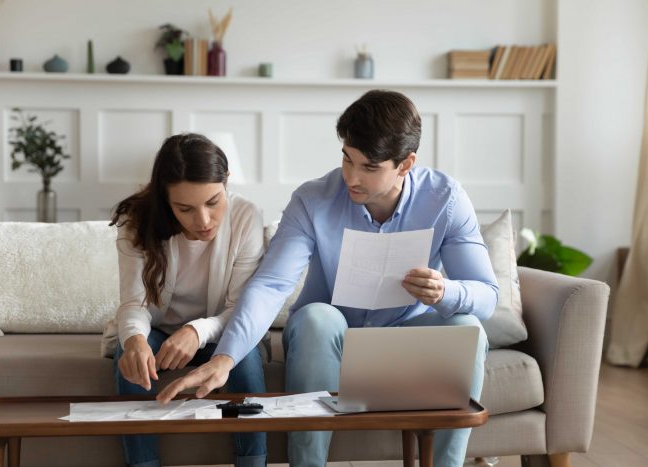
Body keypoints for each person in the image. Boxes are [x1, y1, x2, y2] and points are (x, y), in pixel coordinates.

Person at [157, 91, 498, 467]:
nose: (351, 177)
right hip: (329, 340)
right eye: (346, 159)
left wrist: (445, 290)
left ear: (405, 164)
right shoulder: (313, 199)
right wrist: (224, 357)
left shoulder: (445, 199)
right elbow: (271, 285)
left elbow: (487, 297)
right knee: (317, 317)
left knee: (468, 327)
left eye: (369, 167)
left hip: (407, 340)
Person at [110, 133, 267, 467]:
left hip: (218, 329)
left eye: (213, 202)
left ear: (226, 182)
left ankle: (253, 463)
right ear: (166, 202)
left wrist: (196, 331)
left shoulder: (246, 217)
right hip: (158, 329)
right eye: (185, 209)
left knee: (246, 356)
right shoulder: (136, 222)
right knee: (130, 356)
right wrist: (135, 340)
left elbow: (240, 309)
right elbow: (134, 304)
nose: (204, 221)